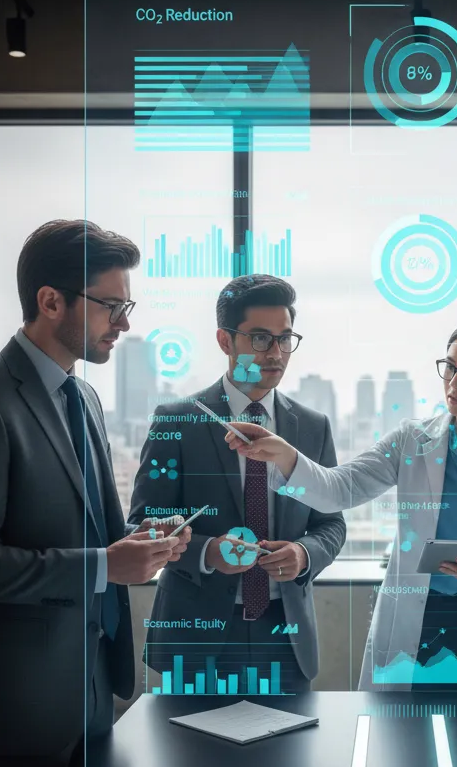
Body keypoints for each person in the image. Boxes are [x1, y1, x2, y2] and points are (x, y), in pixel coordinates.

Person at [0, 220, 184, 767]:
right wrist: (102, 566)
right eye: (112, 305)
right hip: (17, 708)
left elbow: (90, 524)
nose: (124, 322)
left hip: (91, 691)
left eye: (128, 306)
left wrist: (143, 540)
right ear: (51, 301)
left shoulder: (85, 398)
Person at [224, 317, 457, 691]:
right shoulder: (411, 441)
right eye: (450, 368)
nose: (453, 383)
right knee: (402, 745)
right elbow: (340, 488)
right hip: (413, 628)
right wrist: (285, 456)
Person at [129, 276, 346, 694]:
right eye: (261, 338)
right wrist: (209, 552)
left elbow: (331, 523)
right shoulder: (177, 419)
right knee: (191, 760)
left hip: (286, 637)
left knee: (289, 759)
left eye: (285, 339)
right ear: (225, 341)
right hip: (196, 637)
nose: (277, 353)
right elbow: (143, 523)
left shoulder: (312, 427)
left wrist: (303, 553)